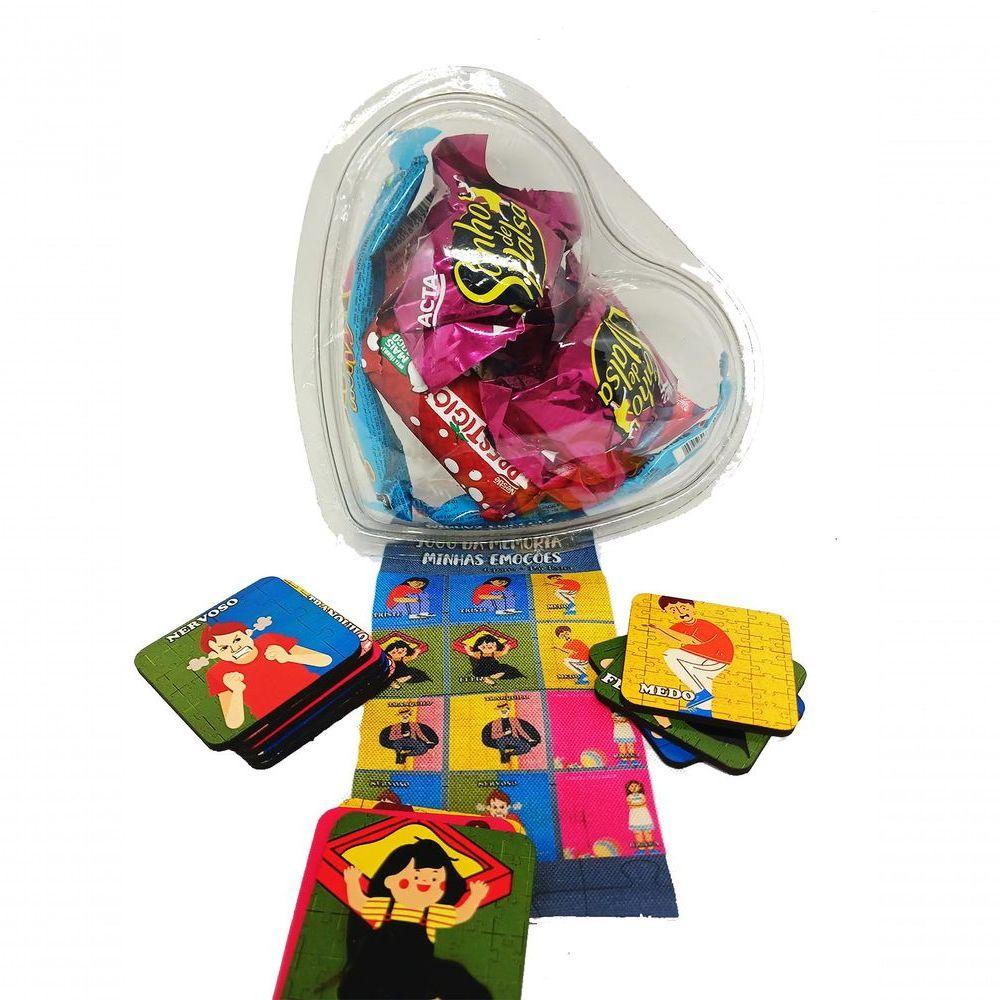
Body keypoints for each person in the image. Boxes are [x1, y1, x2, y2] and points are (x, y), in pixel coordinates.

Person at [340, 838, 491, 998]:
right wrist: (352, 882)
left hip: (414, 974)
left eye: (435, 880)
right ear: (390, 881)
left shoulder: (431, 913)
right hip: (379, 969)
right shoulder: (385, 907)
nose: (424, 883)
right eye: (414, 877)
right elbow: (359, 902)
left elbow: (460, 914)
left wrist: (475, 896)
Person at [188, 618, 332, 729]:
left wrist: (288, 657)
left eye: (237, 639)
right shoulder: (218, 673)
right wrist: (237, 691)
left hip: (319, 693)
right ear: (214, 654)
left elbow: (325, 660)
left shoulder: (270, 640)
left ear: (248, 634)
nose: (235, 648)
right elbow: (233, 723)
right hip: (280, 719)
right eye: (224, 648)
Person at [644, 596, 734, 710]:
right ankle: (703, 711)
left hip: (718, 658)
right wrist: (656, 629)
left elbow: (691, 640)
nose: (680, 612)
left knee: (670, 654)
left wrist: (660, 629)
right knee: (701, 677)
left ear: (692, 606)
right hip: (705, 659)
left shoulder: (703, 625)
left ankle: (701, 693)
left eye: (683, 607)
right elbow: (672, 639)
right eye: (673, 610)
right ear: (666, 612)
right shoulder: (677, 627)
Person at [480, 702, 541, 766]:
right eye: (501, 710)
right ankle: (503, 754)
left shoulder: (514, 720)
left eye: (506, 709)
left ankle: (508, 754)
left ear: (508, 710)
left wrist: (529, 739)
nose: (504, 711)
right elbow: (493, 735)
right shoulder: (495, 722)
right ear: (499, 712)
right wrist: (504, 733)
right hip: (501, 739)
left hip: (513, 739)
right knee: (501, 741)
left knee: (527, 747)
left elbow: (521, 731)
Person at [625, 780, 657, 853]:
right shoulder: (629, 796)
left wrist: (635, 804)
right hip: (634, 816)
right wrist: (637, 804)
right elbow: (630, 804)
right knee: (637, 833)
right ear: (628, 788)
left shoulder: (642, 795)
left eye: (636, 786)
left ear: (639, 787)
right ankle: (641, 850)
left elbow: (643, 802)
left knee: (648, 832)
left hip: (644, 815)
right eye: (631, 786)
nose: (634, 788)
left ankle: (652, 849)